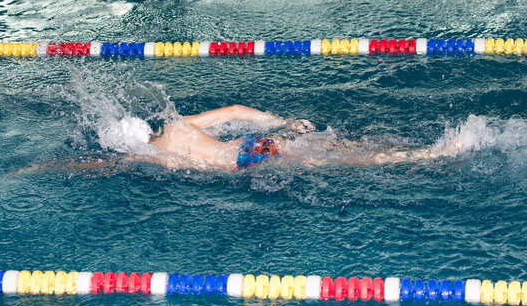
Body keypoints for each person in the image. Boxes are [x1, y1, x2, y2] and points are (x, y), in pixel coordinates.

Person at [96, 104, 452, 172]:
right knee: (344, 148)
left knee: (346, 162)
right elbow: (235, 110)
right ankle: (414, 149)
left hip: (245, 160)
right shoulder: (176, 124)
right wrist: (284, 121)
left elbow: (101, 168)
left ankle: (429, 156)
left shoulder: (147, 156)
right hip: (251, 143)